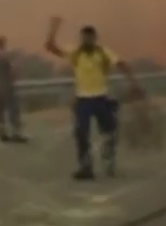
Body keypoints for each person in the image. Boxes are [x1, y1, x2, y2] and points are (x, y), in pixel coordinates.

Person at [44, 16, 143, 180]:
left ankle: (108, 157)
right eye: (84, 38)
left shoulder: (103, 52)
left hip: (101, 98)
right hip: (83, 100)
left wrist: (133, 82)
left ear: (94, 38)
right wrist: (54, 28)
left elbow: (121, 63)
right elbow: (51, 47)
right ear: (81, 38)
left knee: (110, 131)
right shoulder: (76, 53)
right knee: (81, 134)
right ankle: (86, 167)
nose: (86, 40)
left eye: (89, 38)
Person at [0, 35, 27, 143]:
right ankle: (16, 133)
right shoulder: (6, 57)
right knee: (13, 110)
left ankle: (2, 134)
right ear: (3, 44)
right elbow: (13, 72)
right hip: (7, 87)